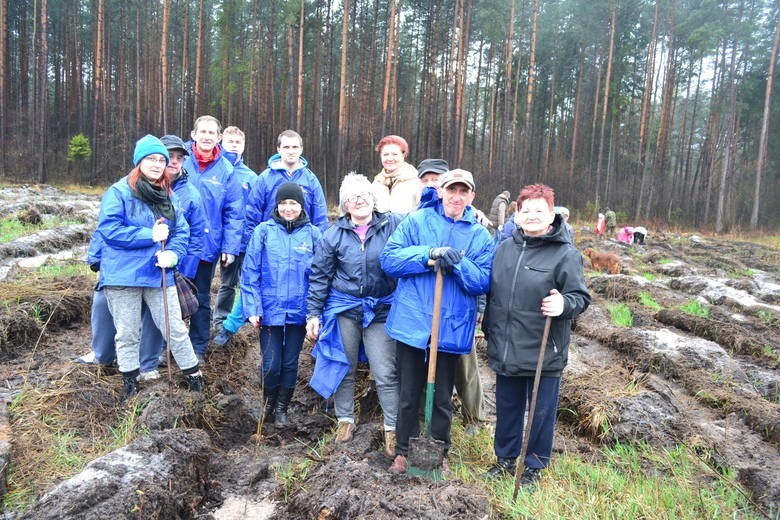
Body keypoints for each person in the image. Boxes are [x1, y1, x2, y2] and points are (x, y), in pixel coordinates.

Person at [380, 168, 494, 474]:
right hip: (413, 323)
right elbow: (389, 260)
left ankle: (438, 450)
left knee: (442, 396)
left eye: (463, 192)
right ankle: (404, 450)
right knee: (408, 394)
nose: (457, 197)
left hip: (451, 327)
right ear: (440, 191)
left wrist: (459, 265)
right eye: (451, 190)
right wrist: (428, 254)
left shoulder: (480, 235)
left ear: (471, 196)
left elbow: (483, 281)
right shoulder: (417, 221)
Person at [482, 184, 590, 486]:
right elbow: (493, 294)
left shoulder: (565, 254)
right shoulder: (504, 249)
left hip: (545, 349)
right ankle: (504, 460)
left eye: (538, 210)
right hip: (506, 345)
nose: (531, 215)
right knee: (507, 408)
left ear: (551, 214)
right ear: (517, 214)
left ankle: (533, 467)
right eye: (525, 210)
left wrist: (563, 304)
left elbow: (580, 298)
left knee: (541, 412)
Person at [77, 134, 206, 381]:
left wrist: (174, 253)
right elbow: (110, 230)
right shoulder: (119, 192)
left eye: (161, 160)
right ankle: (130, 383)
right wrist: (149, 234)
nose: (157, 164)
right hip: (123, 275)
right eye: (151, 159)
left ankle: (194, 378)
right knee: (127, 333)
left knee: (175, 329)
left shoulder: (168, 195)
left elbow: (182, 230)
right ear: (139, 161)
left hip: (158, 273)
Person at [306, 173, 402, 457]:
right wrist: (314, 313)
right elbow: (320, 275)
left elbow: (423, 224)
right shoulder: (333, 234)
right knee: (343, 366)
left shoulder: (392, 225)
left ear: (373, 199)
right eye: (352, 196)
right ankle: (345, 419)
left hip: (382, 309)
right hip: (344, 307)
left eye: (364, 195)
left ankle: (392, 428)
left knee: (385, 371)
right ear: (344, 203)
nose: (359, 200)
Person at [241, 182, 321, 426]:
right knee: (271, 364)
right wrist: (253, 307)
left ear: (301, 206)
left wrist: (314, 313)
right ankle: (268, 404)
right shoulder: (263, 232)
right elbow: (250, 272)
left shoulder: (313, 235)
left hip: (299, 311)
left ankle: (282, 409)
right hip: (270, 310)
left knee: (290, 362)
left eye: (293, 203)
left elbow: (320, 275)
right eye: (284, 203)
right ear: (277, 205)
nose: (288, 208)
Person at [417, 159, 487, 433]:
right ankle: (425, 418)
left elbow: (483, 269)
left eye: (436, 178)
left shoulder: (473, 221)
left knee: (464, 364)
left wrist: (479, 305)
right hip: (425, 308)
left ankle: (475, 417)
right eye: (426, 179)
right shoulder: (419, 215)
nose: (431, 183)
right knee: (423, 365)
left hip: (458, 307)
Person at [182, 115, 245, 363]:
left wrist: (229, 247)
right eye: (203, 132)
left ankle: (198, 346)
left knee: (201, 297)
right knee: (166, 295)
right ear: (193, 134)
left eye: (212, 133)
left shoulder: (226, 170)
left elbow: (234, 212)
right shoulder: (180, 161)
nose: (207, 136)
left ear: (219, 137)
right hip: (176, 242)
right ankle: (165, 344)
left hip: (206, 245)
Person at [213, 126, 258, 331]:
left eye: (238, 142)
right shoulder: (215, 169)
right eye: (230, 142)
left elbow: (256, 209)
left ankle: (227, 318)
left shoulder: (251, 177)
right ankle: (210, 318)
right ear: (221, 142)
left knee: (232, 281)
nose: (234, 145)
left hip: (240, 239)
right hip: (213, 236)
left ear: (244, 146)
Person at [372, 135, 421, 214]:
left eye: (395, 154)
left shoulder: (417, 182)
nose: (390, 159)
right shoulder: (376, 183)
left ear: (403, 155)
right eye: (385, 154)